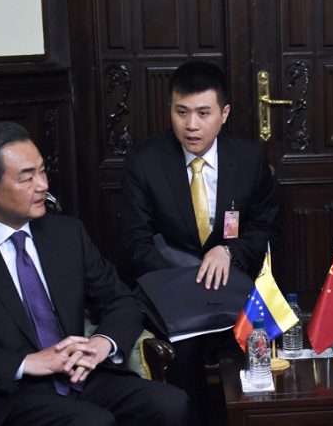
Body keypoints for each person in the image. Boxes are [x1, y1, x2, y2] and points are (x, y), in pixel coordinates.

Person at [0, 122, 189, 426]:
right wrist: (27, 363)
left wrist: (101, 344)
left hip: (82, 375)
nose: (42, 185)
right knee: (92, 422)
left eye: (42, 172)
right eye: (27, 178)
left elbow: (122, 301)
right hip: (11, 393)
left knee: (170, 403)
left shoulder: (67, 233)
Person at [120, 60, 280, 423]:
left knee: (254, 337)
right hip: (170, 291)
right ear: (171, 110)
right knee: (183, 352)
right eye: (182, 112)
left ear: (224, 114)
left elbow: (266, 227)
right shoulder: (144, 161)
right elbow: (136, 240)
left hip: (234, 284)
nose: (191, 125)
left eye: (203, 113)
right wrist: (184, 285)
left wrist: (230, 251)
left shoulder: (249, 157)